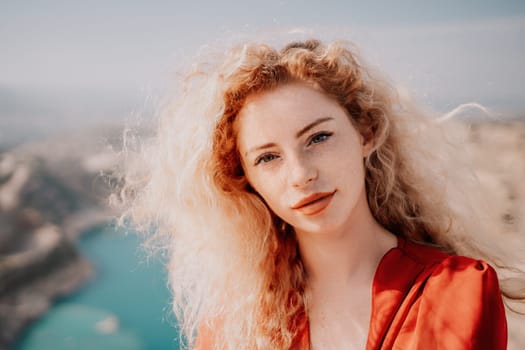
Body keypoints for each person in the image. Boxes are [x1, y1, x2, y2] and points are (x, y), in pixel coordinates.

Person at [118, 39, 523, 349]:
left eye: (319, 137)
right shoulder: (234, 324)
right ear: (244, 180)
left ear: (366, 133)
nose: (300, 174)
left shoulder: (455, 292)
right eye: (267, 158)